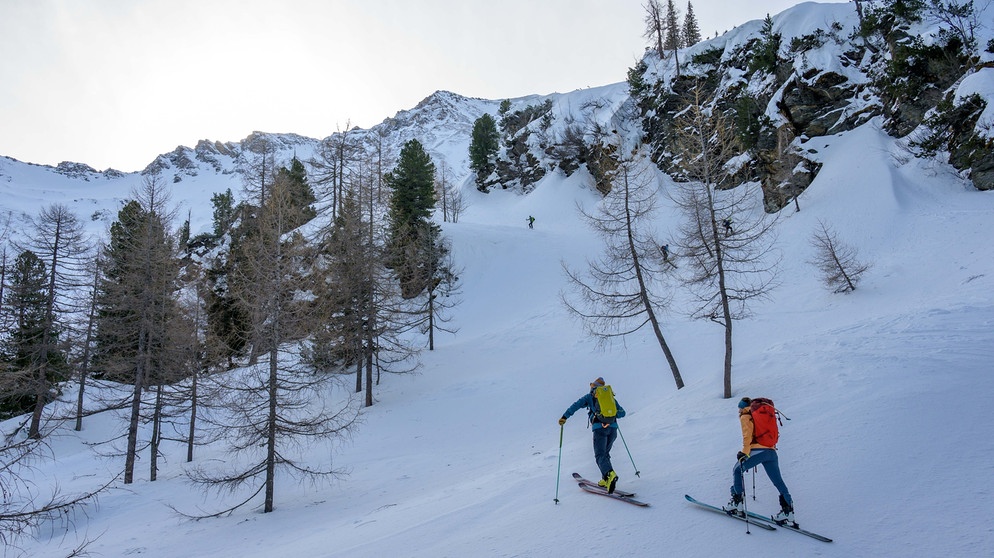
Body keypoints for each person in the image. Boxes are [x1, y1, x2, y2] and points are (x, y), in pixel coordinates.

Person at [726, 397, 795, 524]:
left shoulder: (745, 415)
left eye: (739, 408)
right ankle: (788, 512)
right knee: (778, 480)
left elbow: (747, 435)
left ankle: (737, 503)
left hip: (758, 451)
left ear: (742, 407)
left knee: (737, 470)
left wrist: (744, 453)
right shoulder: (760, 414)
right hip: (771, 451)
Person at [559, 377, 626, 493]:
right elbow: (622, 413)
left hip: (599, 429)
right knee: (605, 454)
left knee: (600, 455)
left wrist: (564, 417)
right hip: (613, 430)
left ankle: (610, 474)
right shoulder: (610, 398)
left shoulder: (590, 397)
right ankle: (605, 479)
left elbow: (576, 405)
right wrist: (610, 417)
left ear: (593, 387)